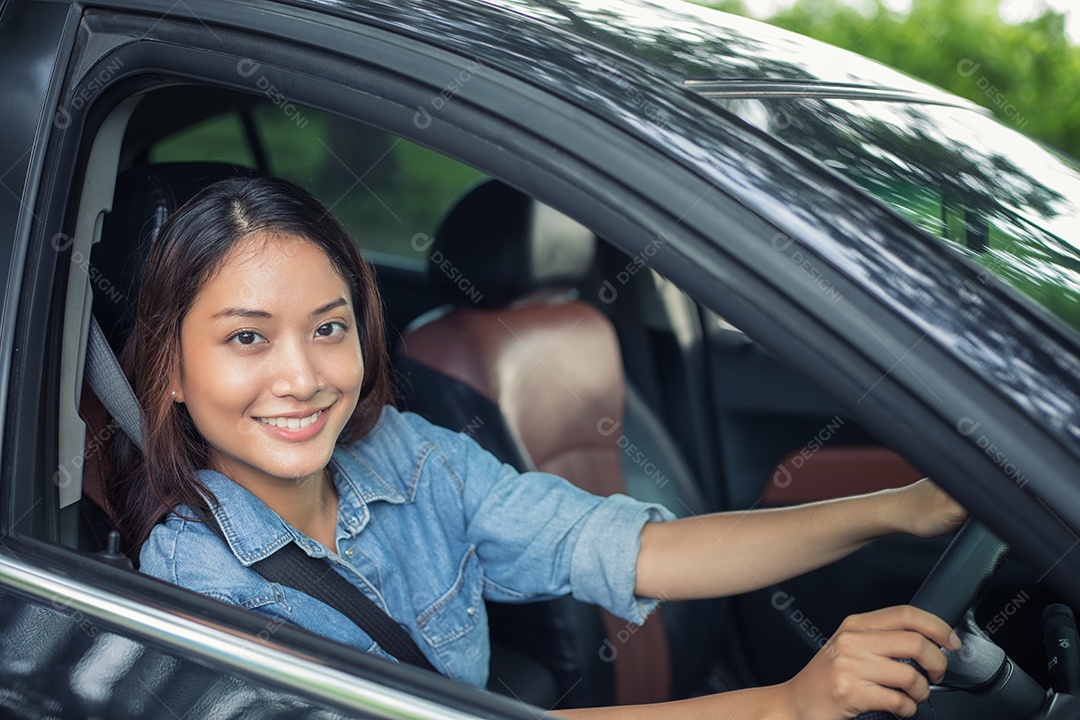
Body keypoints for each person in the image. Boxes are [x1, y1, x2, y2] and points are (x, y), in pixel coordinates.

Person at [111, 174, 968, 719]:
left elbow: (636, 549)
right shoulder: (200, 584)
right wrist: (786, 705)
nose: (301, 378)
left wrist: (898, 509)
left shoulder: (406, 457)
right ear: (172, 371)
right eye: (247, 340)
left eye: (328, 328)